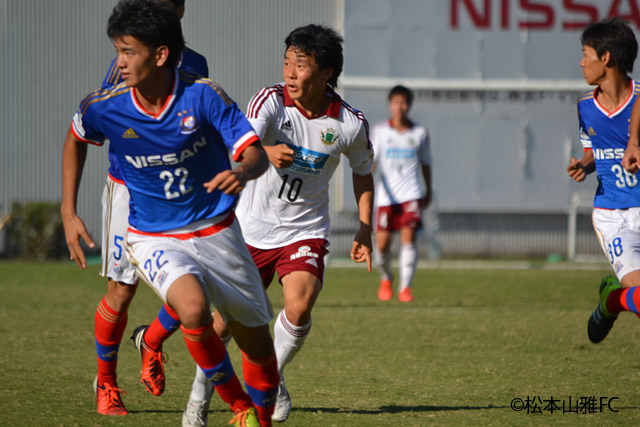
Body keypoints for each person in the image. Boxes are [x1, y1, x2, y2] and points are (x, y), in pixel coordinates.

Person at [60, 1, 279, 426]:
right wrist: (69, 212)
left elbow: (252, 153)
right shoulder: (107, 101)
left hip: (215, 228)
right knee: (188, 309)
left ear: (163, 51)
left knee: (256, 344)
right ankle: (237, 408)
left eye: (128, 52)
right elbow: (76, 135)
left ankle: (259, 417)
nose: (119, 62)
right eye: (117, 51)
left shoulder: (202, 90)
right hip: (150, 229)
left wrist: (243, 171)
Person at [171, 24, 374, 424]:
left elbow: (363, 170)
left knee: (299, 304)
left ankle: (269, 377)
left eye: (301, 65)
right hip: (249, 228)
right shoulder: (270, 102)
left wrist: (365, 227)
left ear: (327, 72)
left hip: (304, 230)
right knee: (224, 323)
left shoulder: (349, 123)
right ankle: (200, 393)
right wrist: (264, 149)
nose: (290, 73)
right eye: (287, 63)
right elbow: (237, 144)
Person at [70, 0, 209, 417]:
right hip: (129, 189)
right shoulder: (125, 64)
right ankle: (106, 384)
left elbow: (196, 124)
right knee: (122, 290)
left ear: (180, 10)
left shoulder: (196, 63)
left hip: (177, 191)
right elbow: (86, 128)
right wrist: (68, 211)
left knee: (197, 288)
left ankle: (151, 341)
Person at [565, 17, 640, 344]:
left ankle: (613, 301)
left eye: (586, 54)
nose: (581, 62)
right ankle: (616, 298)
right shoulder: (585, 106)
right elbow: (597, 149)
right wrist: (585, 164)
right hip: (613, 215)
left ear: (606, 58)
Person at [371, 85, 432, 303]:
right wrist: (366, 186)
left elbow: (426, 163)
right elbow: (372, 162)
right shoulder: (380, 131)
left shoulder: (420, 133)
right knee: (382, 246)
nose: (400, 107)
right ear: (390, 104)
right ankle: (386, 277)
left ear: (409, 105)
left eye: (404, 102)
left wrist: (429, 189)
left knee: (409, 240)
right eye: (396, 102)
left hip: (411, 194)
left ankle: (405, 287)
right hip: (386, 197)